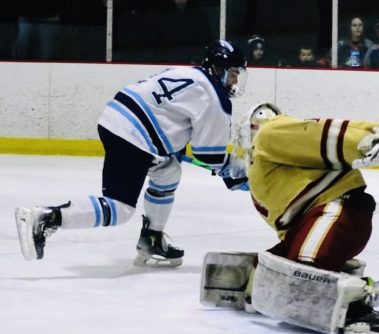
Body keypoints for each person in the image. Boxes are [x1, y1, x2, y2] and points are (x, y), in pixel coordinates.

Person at [14, 40, 249, 267]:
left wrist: (175, 149)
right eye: (233, 73)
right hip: (134, 135)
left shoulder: (189, 74)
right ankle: (46, 218)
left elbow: (167, 112)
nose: (235, 80)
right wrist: (233, 172)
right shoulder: (214, 97)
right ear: (218, 69)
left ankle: (152, 239)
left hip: (117, 117)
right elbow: (208, 155)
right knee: (120, 208)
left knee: (167, 172)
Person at [200, 102, 379, 334]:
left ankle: (356, 308)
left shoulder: (268, 134)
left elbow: (313, 133)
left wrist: (367, 142)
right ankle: (335, 275)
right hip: (319, 222)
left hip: (335, 214)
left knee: (304, 274)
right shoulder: (268, 165)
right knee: (276, 269)